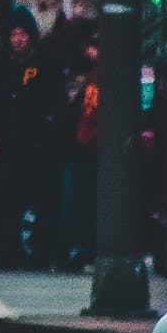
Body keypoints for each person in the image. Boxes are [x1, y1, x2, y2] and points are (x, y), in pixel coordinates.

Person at [0, 7, 64, 267]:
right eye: (14, 34)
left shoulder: (46, 64)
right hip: (10, 144)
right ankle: (8, 250)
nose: (18, 40)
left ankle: (40, 252)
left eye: (22, 34)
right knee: (8, 200)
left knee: (43, 200)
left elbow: (55, 101)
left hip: (40, 145)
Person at [56, 21, 100, 270]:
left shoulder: (98, 79)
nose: (93, 52)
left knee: (82, 205)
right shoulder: (82, 77)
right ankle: (76, 250)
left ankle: (81, 249)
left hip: (89, 150)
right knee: (76, 204)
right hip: (78, 151)